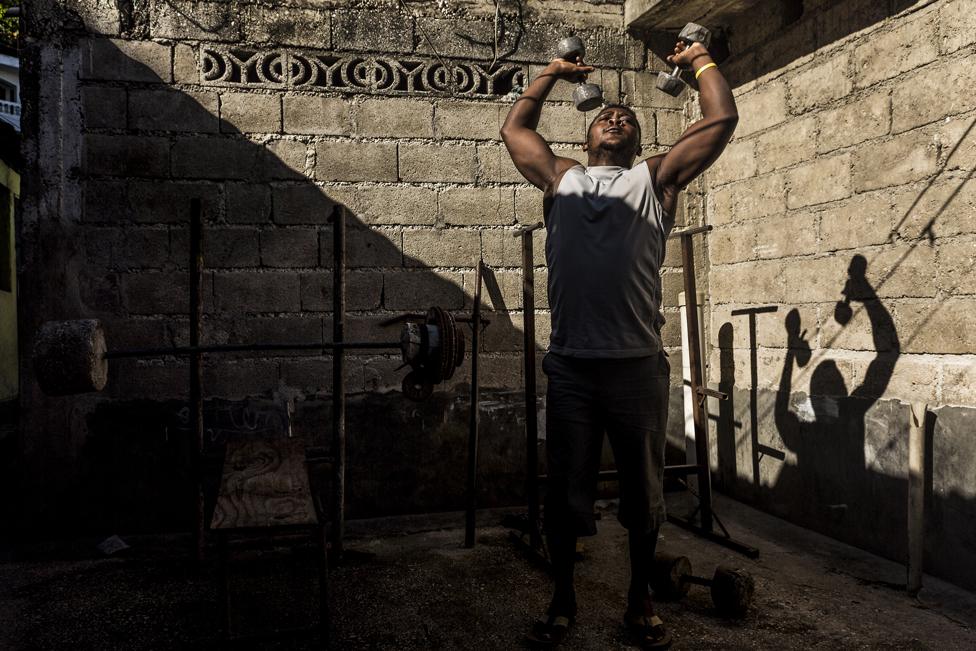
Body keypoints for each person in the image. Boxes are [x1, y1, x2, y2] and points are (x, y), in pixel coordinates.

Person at [500, 37, 738, 649]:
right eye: (607, 115)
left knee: (644, 496)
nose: (615, 117)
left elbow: (721, 118)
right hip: (574, 368)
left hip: (636, 369)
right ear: (585, 137)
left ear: (637, 141)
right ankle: (562, 597)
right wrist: (553, 70)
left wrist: (700, 62)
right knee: (565, 494)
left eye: (626, 119)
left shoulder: (654, 180)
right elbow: (515, 128)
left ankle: (638, 600)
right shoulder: (561, 178)